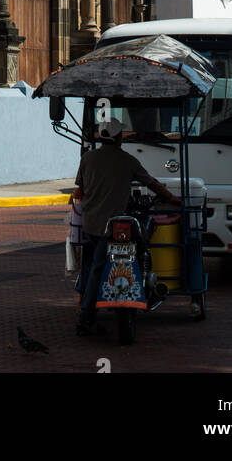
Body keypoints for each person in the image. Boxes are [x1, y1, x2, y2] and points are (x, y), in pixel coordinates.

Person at [72, 116, 179, 334]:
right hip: (113, 226)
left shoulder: (88, 158)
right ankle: (85, 318)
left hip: (91, 224)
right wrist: (172, 198)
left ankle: (88, 308)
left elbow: (80, 190)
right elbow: (151, 183)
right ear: (119, 137)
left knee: (93, 266)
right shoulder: (127, 160)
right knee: (99, 268)